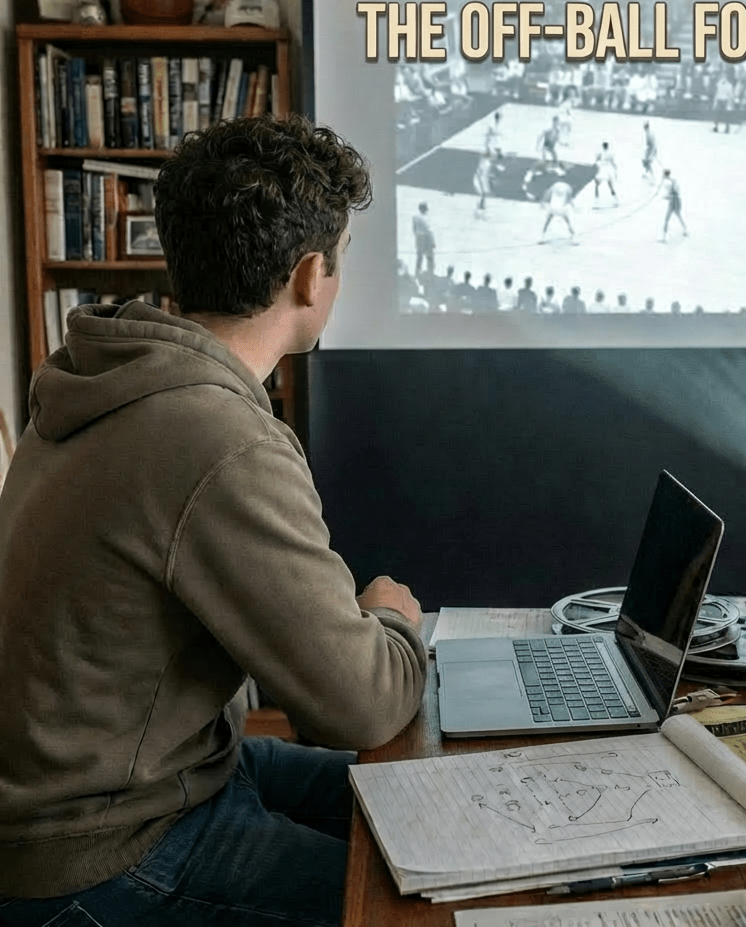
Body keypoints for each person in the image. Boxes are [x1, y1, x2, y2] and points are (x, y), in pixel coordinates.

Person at [0, 114, 427, 927]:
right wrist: (393, 622)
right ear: (310, 276)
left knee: (430, 807)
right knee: (423, 906)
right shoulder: (217, 439)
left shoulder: (106, 373)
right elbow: (359, 704)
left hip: (147, 775)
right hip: (100, 845)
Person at [659, 169, 689, 241]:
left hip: (673, 201)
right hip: (677, 201)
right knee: (678, 216)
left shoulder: (667, 182)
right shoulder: (674, 181)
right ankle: (685, 230)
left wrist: (665, 197)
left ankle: (664, 237)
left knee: (667, 219)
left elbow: (670, 194)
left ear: (665, 174)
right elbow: (676, 192)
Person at [412, 200, 436, 276]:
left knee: (420, 256)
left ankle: (417, 271)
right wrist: (432, 241)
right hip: (426, 237)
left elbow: (414, 229)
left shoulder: (415, 217)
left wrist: (417, 237)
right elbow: (429, 230)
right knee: (429, 256)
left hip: (419, 237)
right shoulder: (427, 217)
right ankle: (430, 272)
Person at [593, 142, 619, 206]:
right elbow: (612, 162)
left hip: (605, 170)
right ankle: (597, 199)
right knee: (600, 184)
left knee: (606, 185)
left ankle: (597, 199)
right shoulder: (605, 153)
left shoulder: (605, 154)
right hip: (604, 170)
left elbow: (597, 160)